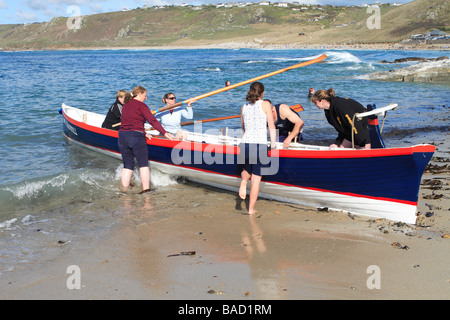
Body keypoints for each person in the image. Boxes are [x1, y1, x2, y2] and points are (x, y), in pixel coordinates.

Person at [118, 86, 174, 193]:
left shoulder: (125, 106)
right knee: (143, 165)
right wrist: (165, 133)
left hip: (122, 136)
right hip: (136, 137)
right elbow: (153, 121)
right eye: (145, 95)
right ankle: (146, 191)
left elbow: (129, 121)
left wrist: (144, 132)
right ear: (139, 94)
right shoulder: (142, 106)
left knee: (128, 165)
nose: (146, 98)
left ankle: (123, 191)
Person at [238, 82, 276, 215]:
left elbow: (243, 129)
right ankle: (251, 209)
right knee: (256, 179)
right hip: (259, 145)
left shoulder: (244, 107)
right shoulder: (265, 104)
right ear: (262, 93)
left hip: (245, 144)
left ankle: (243, 181)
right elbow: (271, 126)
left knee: (246, 170)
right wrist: (273, 145)